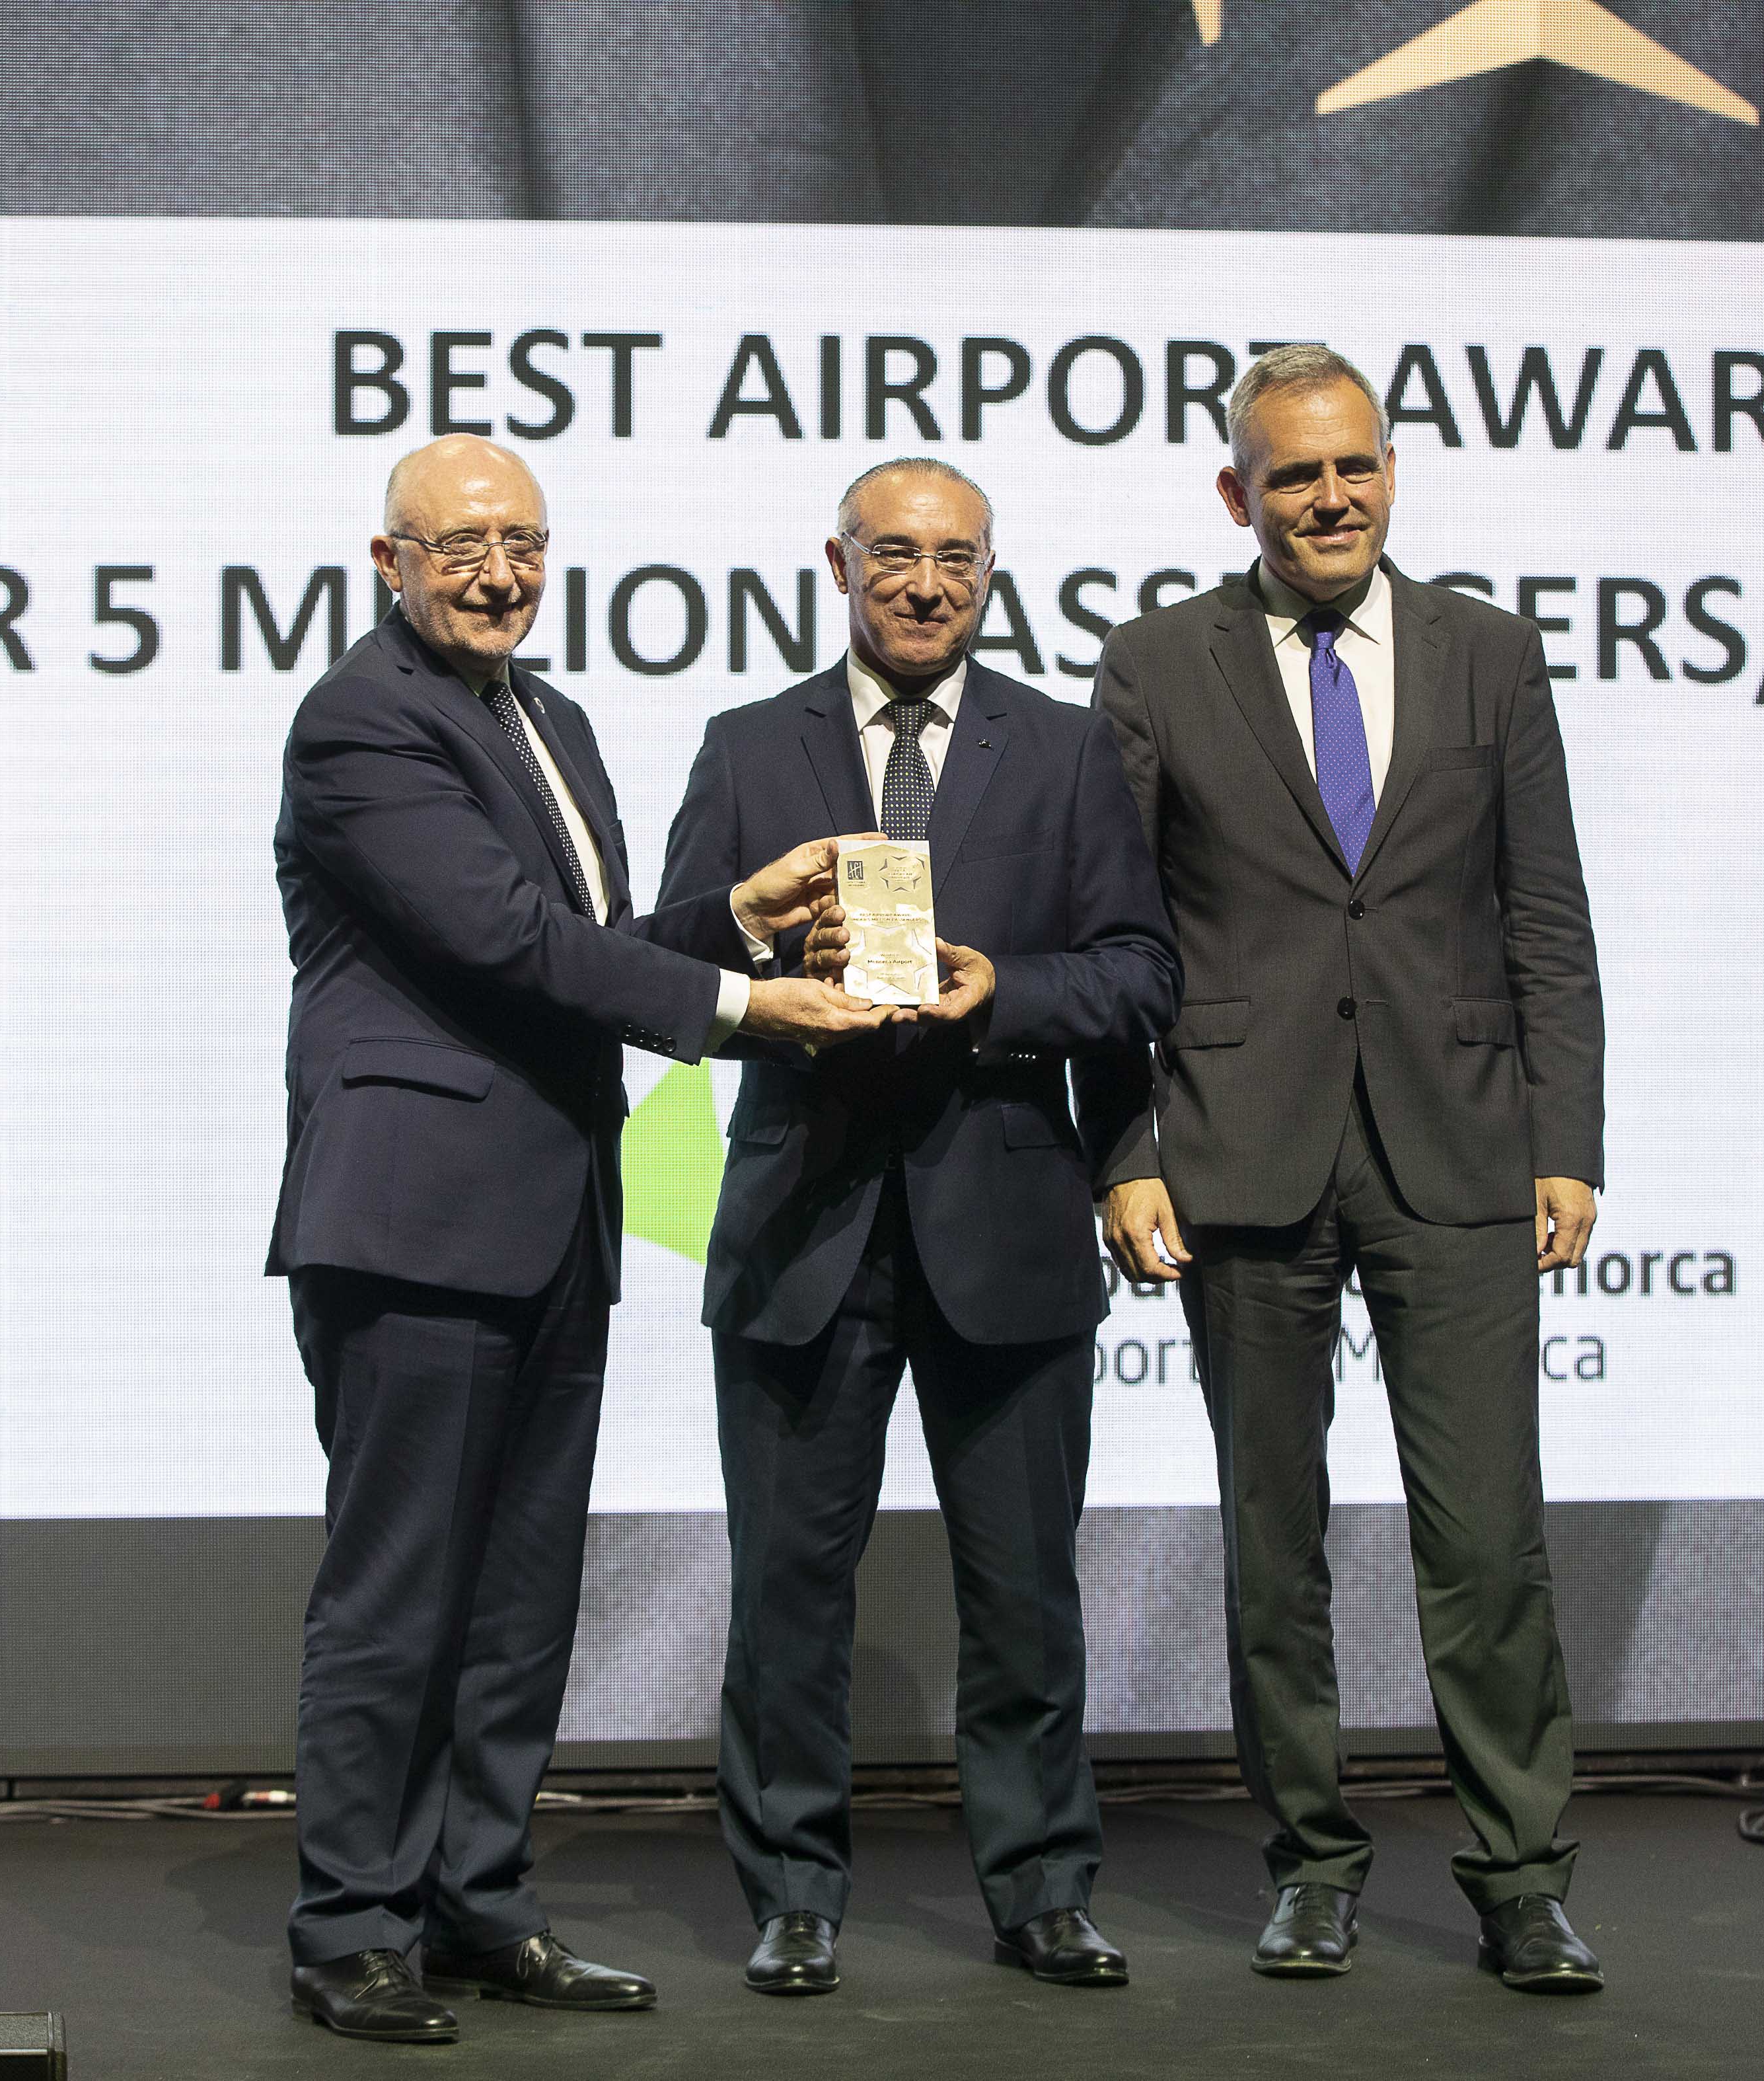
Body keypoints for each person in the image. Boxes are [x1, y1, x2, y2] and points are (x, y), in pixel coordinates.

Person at [268, 435, 887, 2043]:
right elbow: (497, 939)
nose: (496, 573)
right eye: (460, 545)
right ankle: (353, 1927)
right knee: (401, 1590)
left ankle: (478, 1903)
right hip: (411, 1220)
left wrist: (736, 919)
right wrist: (751, 1001)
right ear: (386, 562)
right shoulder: (358, 721)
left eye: (523, 545)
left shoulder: (554, 719)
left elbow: (588, 953)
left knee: (524, 1596)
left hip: (554, 1216)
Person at [1089, 346, 1611, 1992]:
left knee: (1485, 1537)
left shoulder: (1488, 653)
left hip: (1458, 1147)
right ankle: (1310, 1859)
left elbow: (1547, 917)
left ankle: (1521, 1874)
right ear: (1235, 493)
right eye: (1292, 475)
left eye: (1353, 468)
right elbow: (1112, 936)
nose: (1327, 498)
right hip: (1240, 1152)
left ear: (1389, 474)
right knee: (1271, 1536)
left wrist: (1569, 1140)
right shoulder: (1158, 663)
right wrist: (1124, 1151)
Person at [656, 459, 1179, 1996]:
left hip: (1003, 1220)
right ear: (839, 564)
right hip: (797, 1226)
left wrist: (1002, 990)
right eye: (895, 556)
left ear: (991, 575)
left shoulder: (1071, 750)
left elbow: (1142, 975)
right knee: (785, 1589)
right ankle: (793, 1894)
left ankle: (1039, 1888)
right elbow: (672, 977)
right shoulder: (746, 746)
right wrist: (764, 954)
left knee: (1023, 1588)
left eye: (956, 561)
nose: (926, 585)